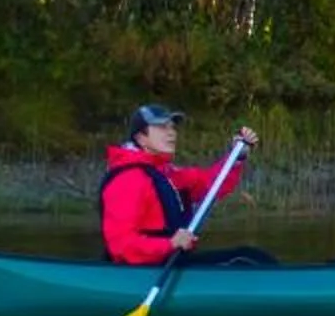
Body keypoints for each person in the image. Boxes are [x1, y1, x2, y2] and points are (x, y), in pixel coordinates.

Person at [98, 104, 273, 267]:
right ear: (141, 138)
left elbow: (211, 185)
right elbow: (120, 246)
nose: (171, 133)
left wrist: (236, 157)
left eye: (172, 127)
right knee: (247, 261)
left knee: (252, 256)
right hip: (143, 271)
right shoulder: (128, 179)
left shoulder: (168, 174)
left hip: (172, 263)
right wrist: (170, 244)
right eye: (162, 128)